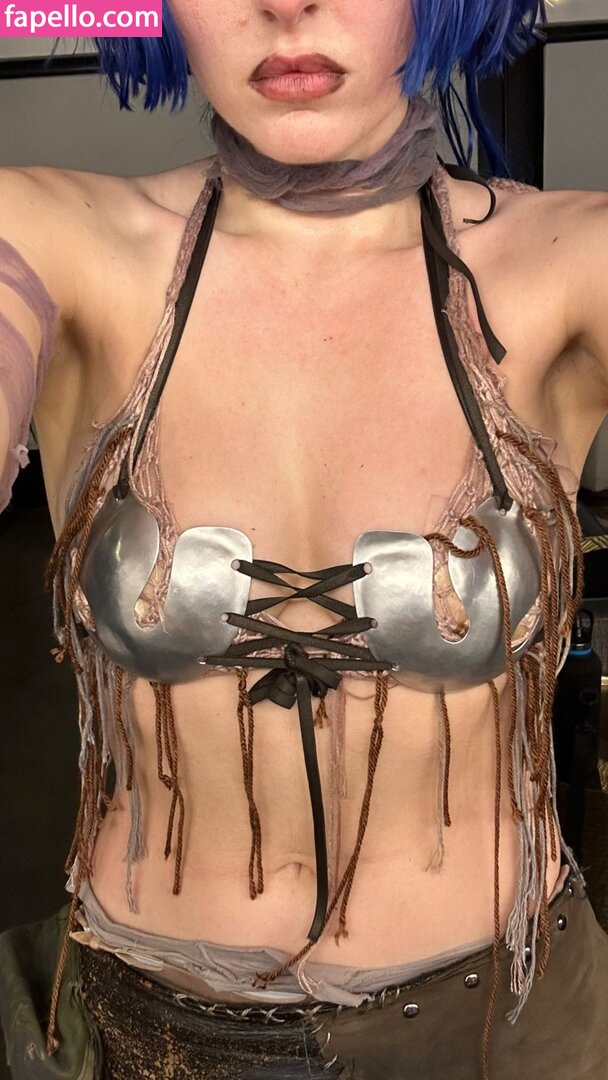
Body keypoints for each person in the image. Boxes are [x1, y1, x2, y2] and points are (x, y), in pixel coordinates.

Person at [0, 1, 607, 1077]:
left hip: (500, 1028)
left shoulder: (570, 260)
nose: (285, 5)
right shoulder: (57, 237)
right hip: (144, 1029)